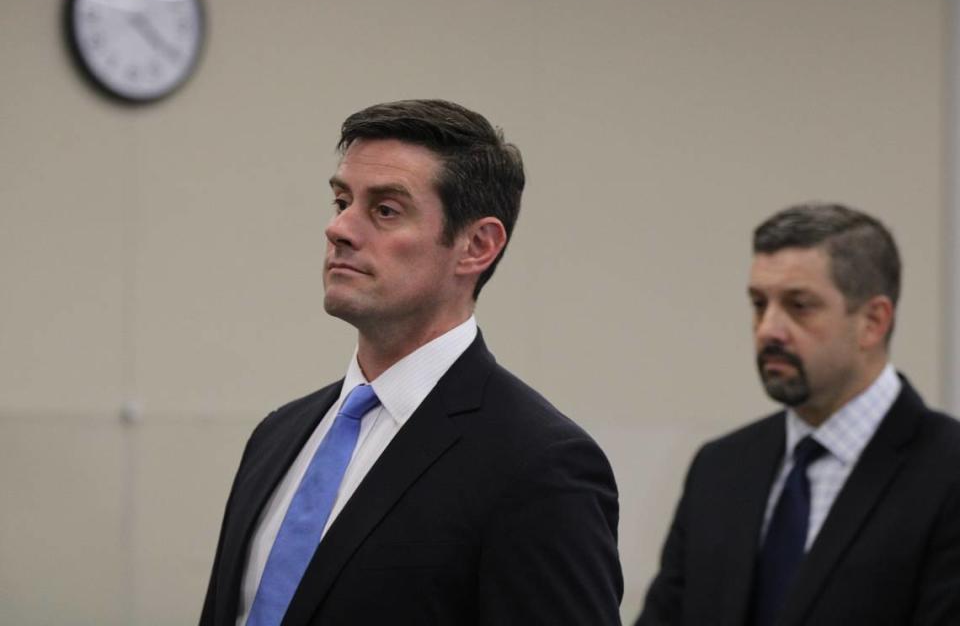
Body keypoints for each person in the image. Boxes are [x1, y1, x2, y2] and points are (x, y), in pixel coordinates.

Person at [200, 99, 623, 626]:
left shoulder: (538, 466)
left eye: (385, 210)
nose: (340, 230)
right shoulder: (277, 435)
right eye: (340, 202)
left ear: (476, 245)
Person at [636, 203, 960, 626]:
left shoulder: (947, 472)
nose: (768, 328)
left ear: (873, 321)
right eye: (758, 303)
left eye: (799, 305)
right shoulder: (720, 469)